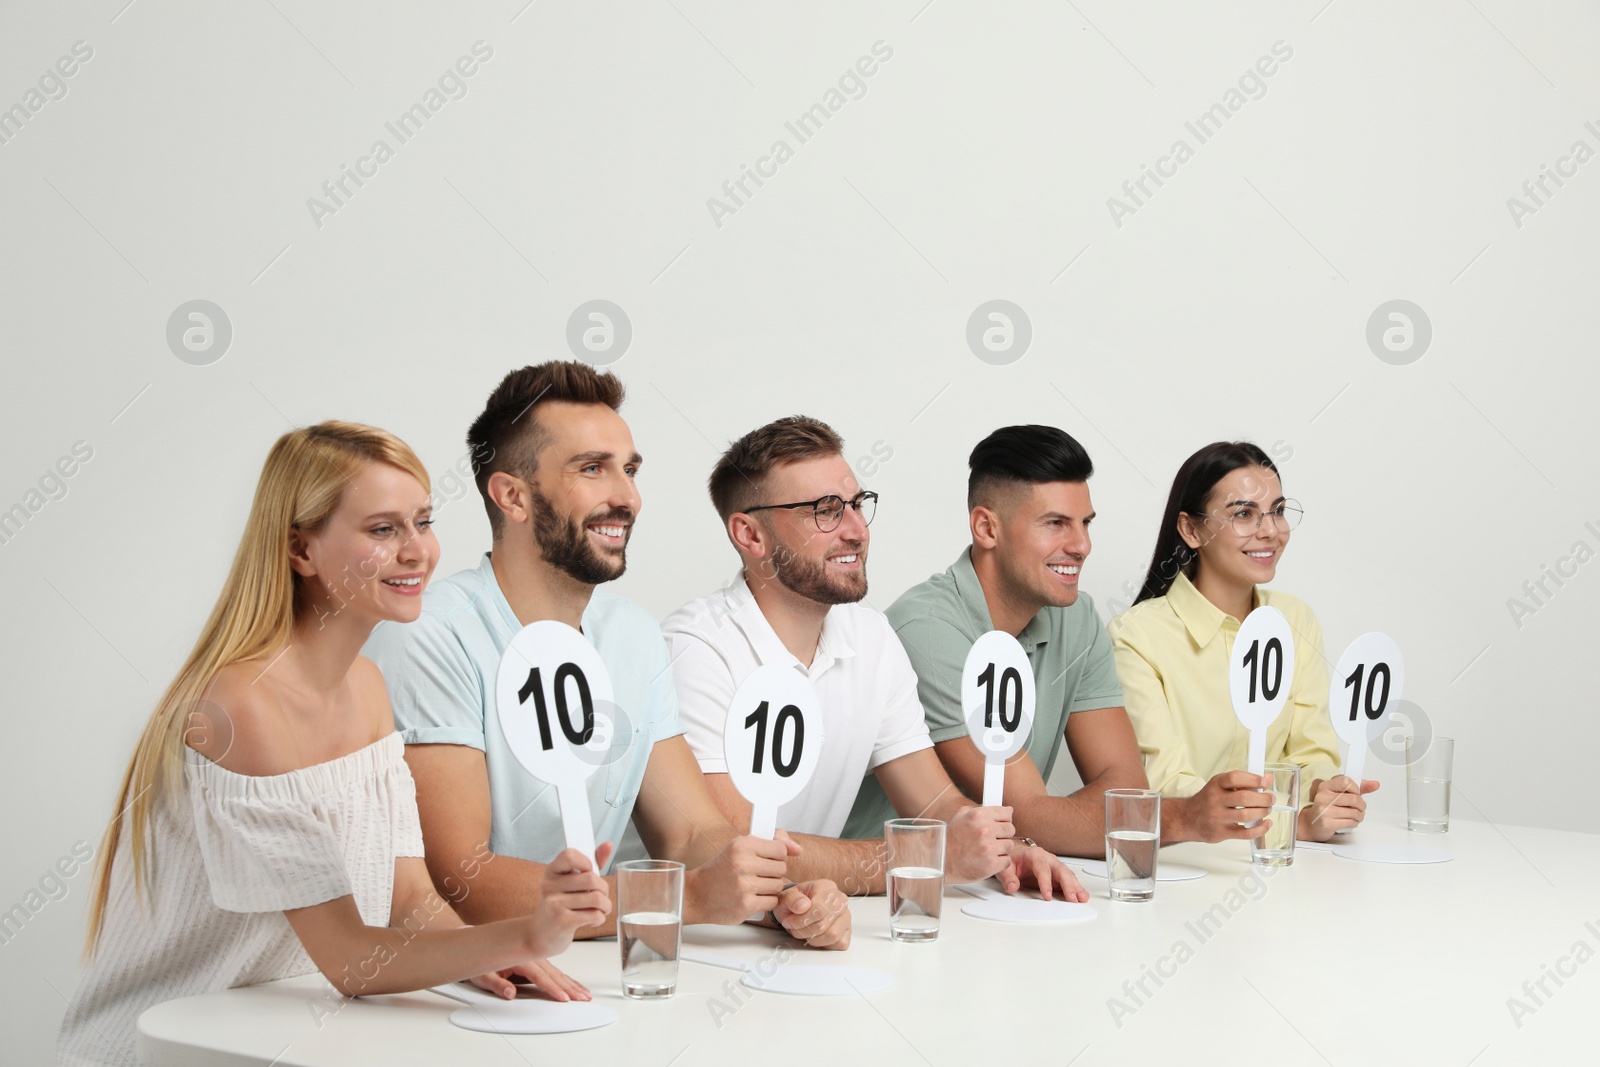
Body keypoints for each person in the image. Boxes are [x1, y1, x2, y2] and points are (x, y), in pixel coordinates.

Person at [59, 423, 609, 1067]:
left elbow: (410, 901)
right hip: (174, 1047)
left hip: (288, 1035)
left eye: (422, 522)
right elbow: (351, 959)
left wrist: (495, 955)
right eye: (381, 530)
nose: (417, 552)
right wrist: (529, 931)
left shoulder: (368, 685)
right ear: (301, 551)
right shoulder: (243, 709)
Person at [365, 362, 829, 957]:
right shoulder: (431, 633)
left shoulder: (631, 633)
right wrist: (682, 900)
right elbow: (461, 880)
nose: (626, 496)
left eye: (629, 470)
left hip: (595, 971)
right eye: (592, 469)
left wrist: (778, 898)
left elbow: (690, 831)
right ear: (512, 496)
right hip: (470, 983)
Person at [665, 416, 1084, 937]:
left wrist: (1000, 850)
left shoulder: (871, 637)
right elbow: (736, 851)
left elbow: (935, 804)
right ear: (750, 534)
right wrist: (924, 856)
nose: (856, 530)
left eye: (858, 504)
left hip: (799, 929)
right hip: (690, 942)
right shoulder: (697, 649)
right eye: (825, 511)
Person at [845, 424, 1274, 852]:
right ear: (986, 528)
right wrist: (1184, 817)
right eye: (1056, 523)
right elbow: (1026, 813)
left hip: (998, 880)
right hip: (885, 892)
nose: (1082, 545)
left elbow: (1123, 787)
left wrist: (1059, 822)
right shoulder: (927, 630)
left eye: (1084, 523)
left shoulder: (1077, 618)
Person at [1108, 440, 1377, 843]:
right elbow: (1161, 784)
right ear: (1191, 529)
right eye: (1244, 514)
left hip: (1290, 874)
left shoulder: (1295, 620)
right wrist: (1292, 824)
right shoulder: (1137, 636)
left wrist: (1323, 796)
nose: (1270, 531)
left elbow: (1310, 757)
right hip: (1185, 868)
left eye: (1278, 512)